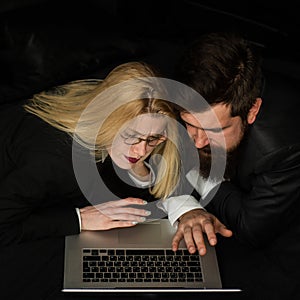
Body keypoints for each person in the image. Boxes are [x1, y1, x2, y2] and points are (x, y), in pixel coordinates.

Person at [0, 61, 230, 299]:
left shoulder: (125, 103)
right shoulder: (54, 163)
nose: (140, 151)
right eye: (131, 136)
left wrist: (186, 209)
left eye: (153, 139)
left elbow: (167, 167)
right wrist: (80, 218)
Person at [171, 31, 300, 300]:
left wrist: (196, 171)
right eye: (190, 124)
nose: (197, 141)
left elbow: (252, 228)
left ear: (252, 111)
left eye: (214, 129)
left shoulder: (283, 147)